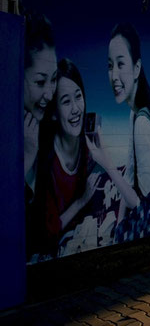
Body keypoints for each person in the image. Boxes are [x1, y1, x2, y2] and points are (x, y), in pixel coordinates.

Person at [87, 23, 150, 243]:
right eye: (110, 66)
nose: (114, 76)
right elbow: (131, 173)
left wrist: (105, 160)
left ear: (137, 68)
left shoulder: (142, 123)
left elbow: (141, 204)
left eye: (121, 64)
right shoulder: (135, 114)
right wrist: (120, 223)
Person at [33, 59, 100, 258]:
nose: (76, 109)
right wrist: (81, 201)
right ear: (53, 113)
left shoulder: (88, 150)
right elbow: (46, 233)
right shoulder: (44, 163)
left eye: (78, 97)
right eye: (66, 101)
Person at [23, 14, 58, 259]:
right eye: (40, 82)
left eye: (54, 80)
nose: (49, 94)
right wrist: (26, 157)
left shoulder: (49, 133)